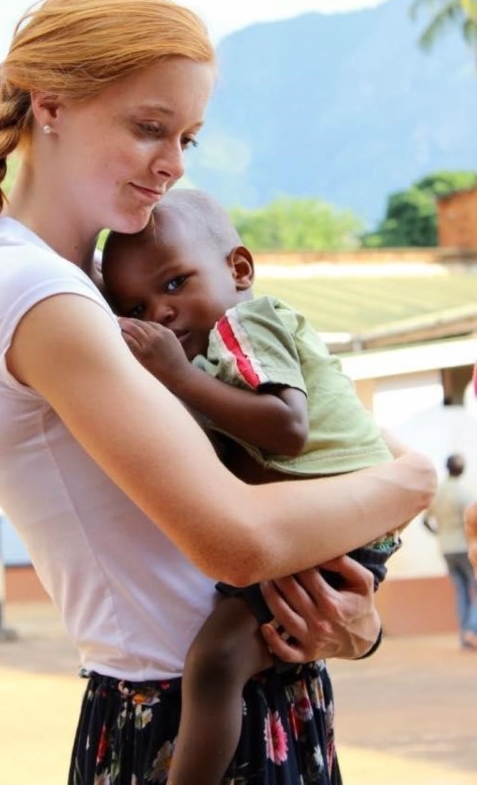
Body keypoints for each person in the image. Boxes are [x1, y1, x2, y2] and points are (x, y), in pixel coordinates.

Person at [0, 0, 435, 785]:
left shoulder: (94, 288)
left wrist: (353, 627)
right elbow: (236, 538)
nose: (174, 165)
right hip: (176, 712)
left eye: (188, 136)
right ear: (49, 106)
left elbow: (318, 439)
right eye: (149, 127)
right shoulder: (40, 296)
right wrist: (412, 479)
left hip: (245, 689)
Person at [102, 189, 403, 784]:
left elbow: (288, 429)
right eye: (135, 307)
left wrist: (178, 378)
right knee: (234, 655)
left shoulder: (247, 323)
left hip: (339, 515)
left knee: (214, 662)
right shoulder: (210, 358)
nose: (159, 314)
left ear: (239, 269)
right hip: (320, 521)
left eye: (174, 283)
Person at [423, 454, 477, 650]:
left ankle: (465, 637)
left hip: (446, 548)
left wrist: (440, 534)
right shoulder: (464, 493)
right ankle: (472, 629)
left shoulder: (437, 493)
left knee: (461, 591)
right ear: (462, 470)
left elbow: (425, 521)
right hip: (465, 548)